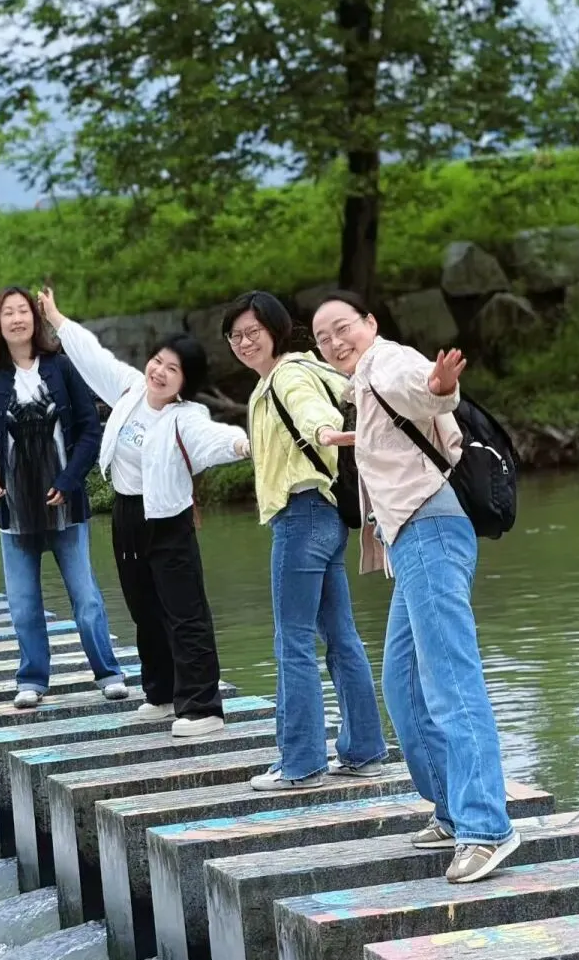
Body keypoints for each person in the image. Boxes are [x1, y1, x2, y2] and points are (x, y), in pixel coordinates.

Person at [310, 290, 519, 885]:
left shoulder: (390, 361)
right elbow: (399, 428)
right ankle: (453, 811)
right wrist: (345, 439)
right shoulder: (364, 385)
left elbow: (424, 390)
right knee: (401, 684)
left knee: (450, 679)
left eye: (342, 327)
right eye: (322, 337)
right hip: (414, 540)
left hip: (431, 530)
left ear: (369, 324)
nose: (334, 342)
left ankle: (487, 826)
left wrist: (440, 383)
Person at [38, 287, 249, 738]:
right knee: (144, 609)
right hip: (127, 515)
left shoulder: (186, 417)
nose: (159, 371)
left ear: (184, 382)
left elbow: (214, 439)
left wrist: (242, 443)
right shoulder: (133, 389)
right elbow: (94, 358)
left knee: (184, 613)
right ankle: (161, 693)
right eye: (158, 361)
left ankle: (203, 706)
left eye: (172, 370)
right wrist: (57, 318)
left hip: (167, 522)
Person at [221, 290, 386, 792]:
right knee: (340, 637)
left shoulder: (289, 376)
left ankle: (301, 762)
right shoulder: (306, 369)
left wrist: (326, 431)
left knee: (292, 640)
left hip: (301, 517)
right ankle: (364, 750)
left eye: (254, 332)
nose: (246, 342)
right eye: (236, 336)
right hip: (328, 516)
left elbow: (314, 415)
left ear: (276, 329)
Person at [0, 286, 127, 709]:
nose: (17, 319)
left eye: (23, 311)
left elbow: (92, 430)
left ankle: (108, 672)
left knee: (87, 598)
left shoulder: (60, 368)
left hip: (65, 506)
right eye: (8, 313)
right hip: (14, 511)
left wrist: (72, 479)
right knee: (22, 604)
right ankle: (33, 679)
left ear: (35, 321)